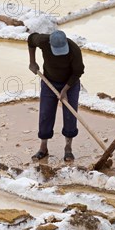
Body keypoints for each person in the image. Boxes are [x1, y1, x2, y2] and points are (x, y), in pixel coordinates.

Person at [28, 30, 85, 162]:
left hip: (70, 84)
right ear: (50, 44)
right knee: (45, 114)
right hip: (49, 82)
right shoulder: (43, 40)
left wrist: (65, 90)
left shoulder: (74, 50)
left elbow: (78, 72)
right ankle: (43, 147)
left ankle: (68, 148)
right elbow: (31, 39)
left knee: (70, 115)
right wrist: (32, 62)